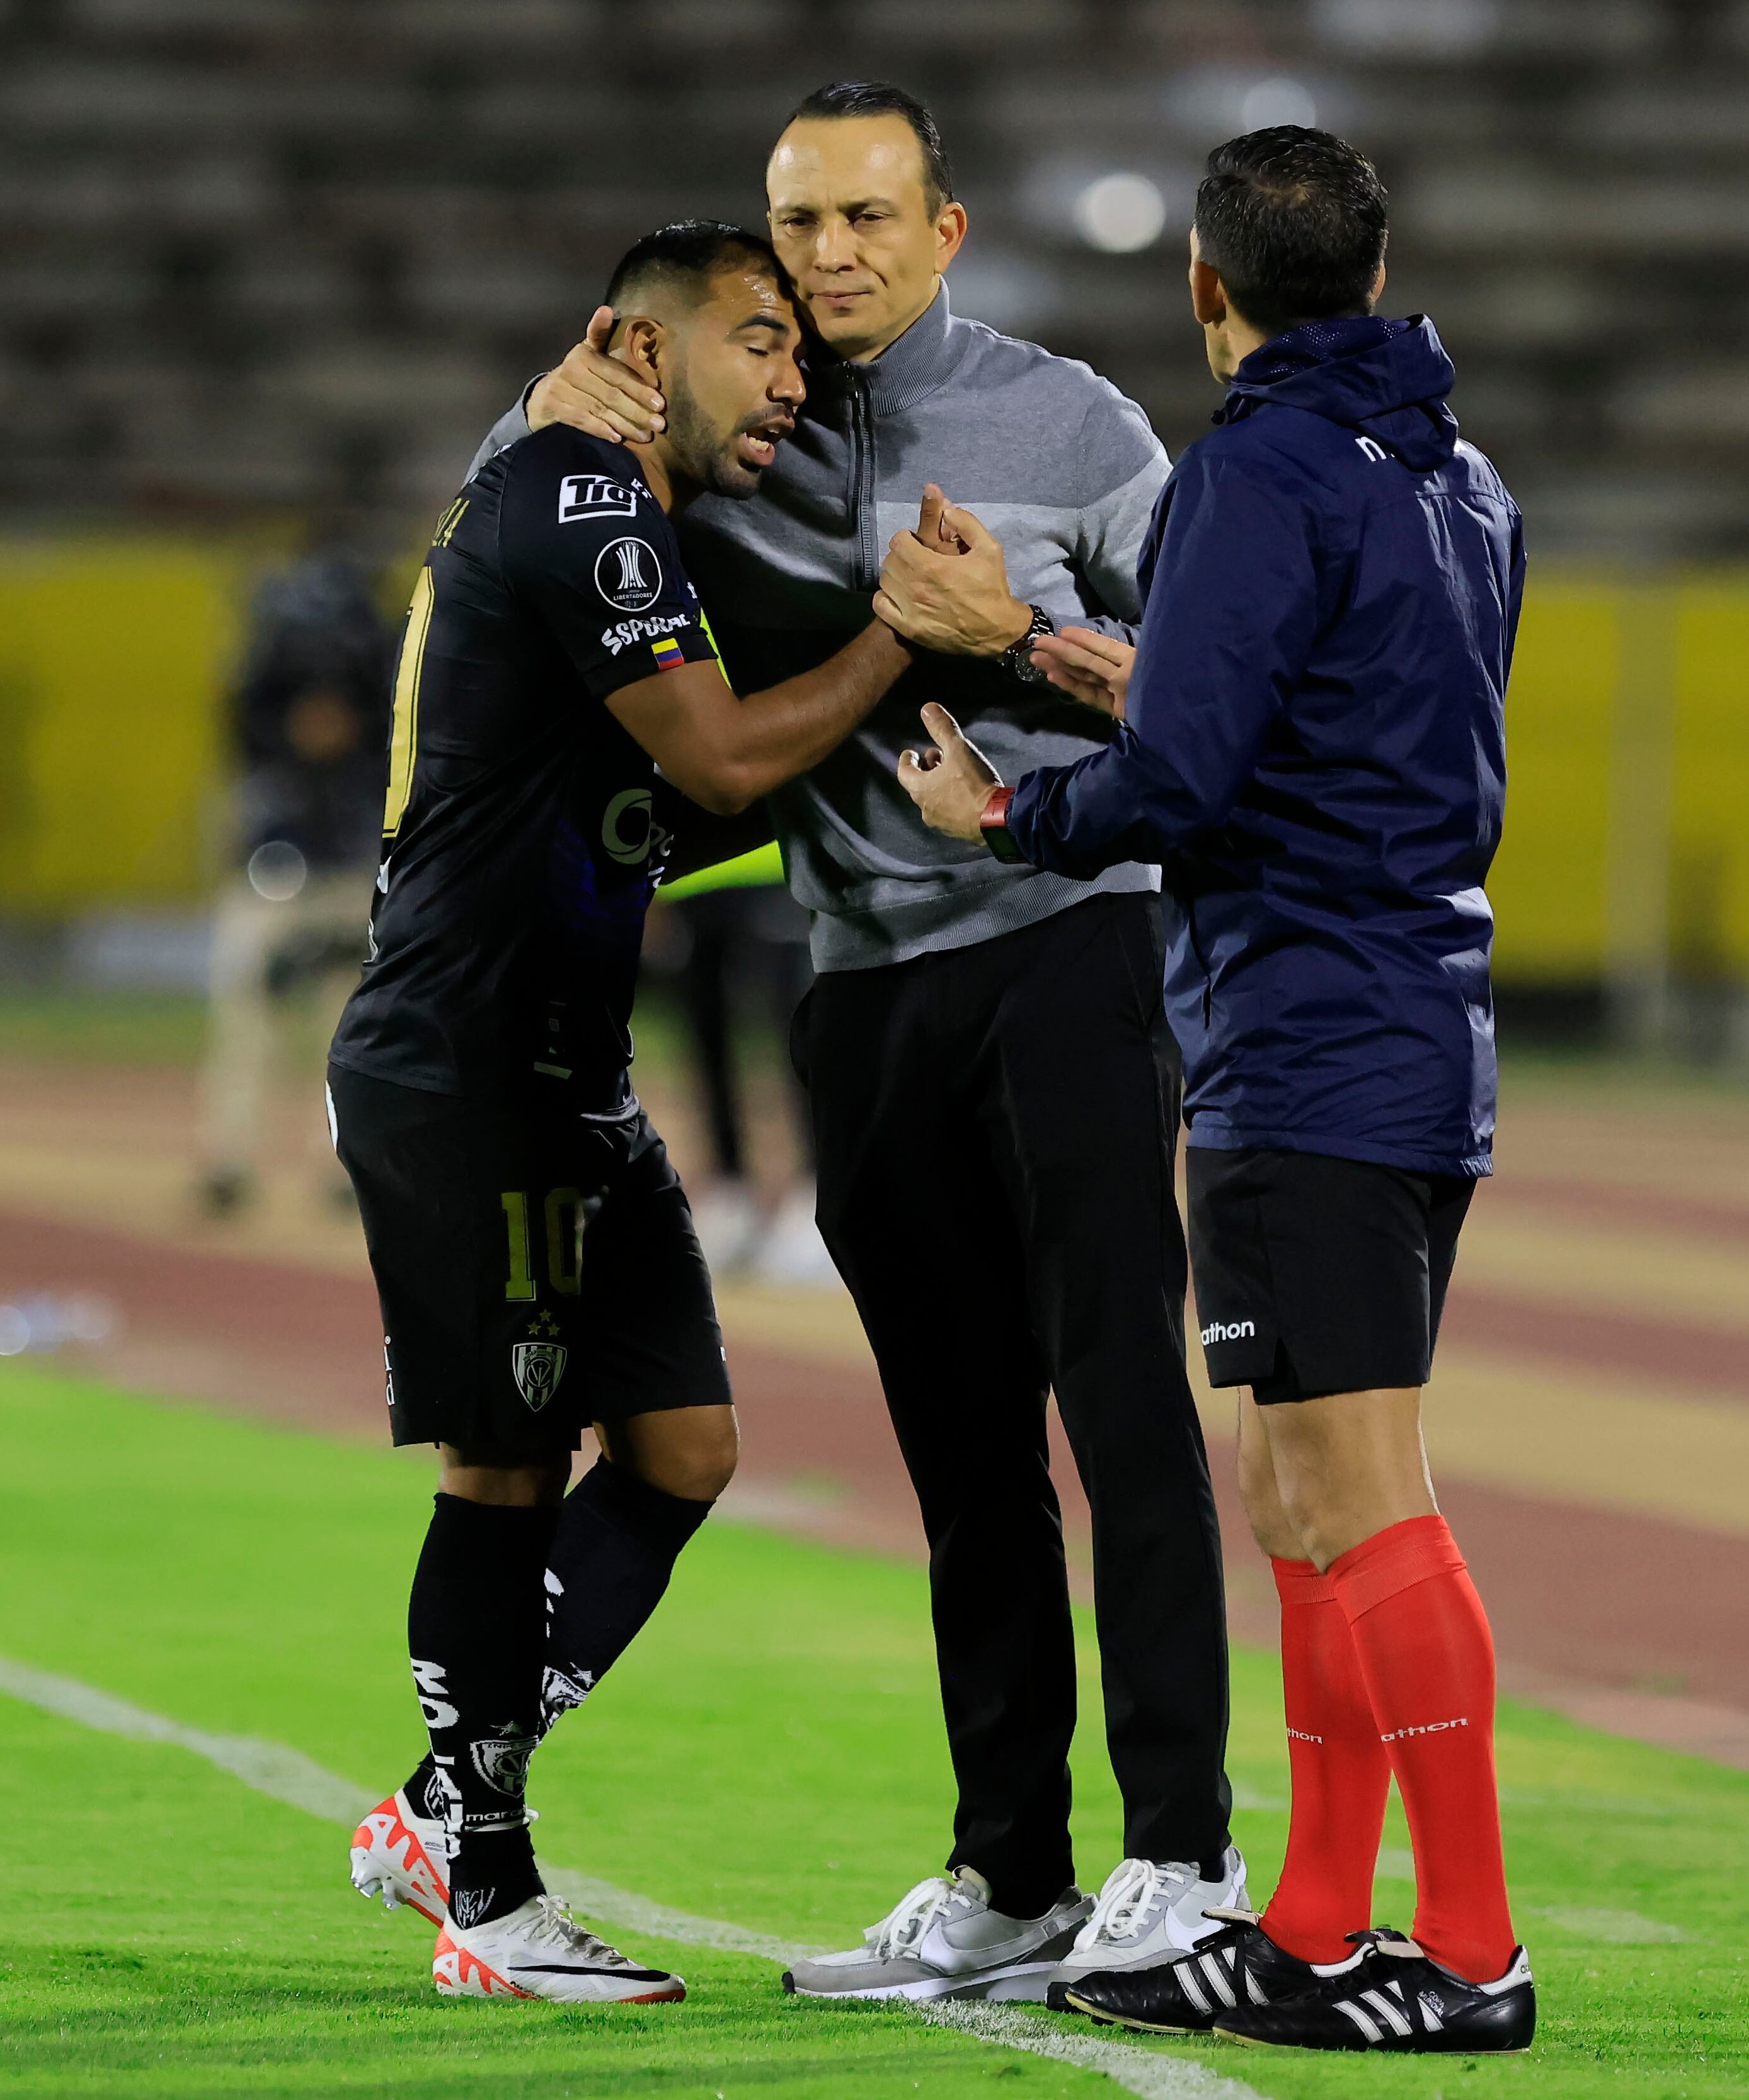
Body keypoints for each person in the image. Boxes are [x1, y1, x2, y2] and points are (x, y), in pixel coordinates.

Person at [510, 81, 1239, 2002]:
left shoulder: (1066, 417)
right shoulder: (721, 420)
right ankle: (1008, 1871)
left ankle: (1181, 1855)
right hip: (860, 987)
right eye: (799, 221)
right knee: (960, 1458)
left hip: (1066, 956)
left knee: (1125, 1416)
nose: (829, 255)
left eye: (865, 218)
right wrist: (539, 407)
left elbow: (1210, 693)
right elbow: (529, 543)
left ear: (946, 234)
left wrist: (1011, 643)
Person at [897, 127, 1535, 2053]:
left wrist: (1002, 807)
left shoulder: (1254, 464)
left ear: (1204, 287)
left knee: (1357, 1491)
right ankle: (1320, 1923)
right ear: (1373, 264)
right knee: (1293, 1490)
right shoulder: (1457, 472)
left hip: (1312, 1025)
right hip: (1398, 1009)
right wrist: (1059, 658)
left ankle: (1474, 1952)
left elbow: (1183, 785)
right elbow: (1297, 725)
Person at [328, 220, 915, 2002]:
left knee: (681, 1449)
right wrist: (909, 638)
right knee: (503, 1466)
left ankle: (448, 1794)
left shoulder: (591, 497)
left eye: (801, 352)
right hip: (474, 1054)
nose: (793, 379)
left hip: (568, 1064)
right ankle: (488, 1898)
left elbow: (651, 807)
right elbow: (721, 757)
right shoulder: (584, 498)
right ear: (636, 348)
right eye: (760, 338)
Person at [197, 528, 393, 1218]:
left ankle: (335, 1166)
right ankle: (230, 1158)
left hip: (342, 864)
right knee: (259, 1015)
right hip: (281, 862)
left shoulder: (374, 663)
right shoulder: (273, 672)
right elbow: (241, 737)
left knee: (347, 1022)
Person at [646, 842, 835, 1284]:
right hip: (691, 874)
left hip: (774, 860)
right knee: (705, 1035)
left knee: (792, 1028)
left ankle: (812, 1195)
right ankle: (731, 1195)